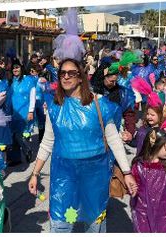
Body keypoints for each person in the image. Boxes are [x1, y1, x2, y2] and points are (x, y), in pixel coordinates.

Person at [27, 55, 137, 233]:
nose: (66, 76)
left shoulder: (99, 103)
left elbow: (114, 141)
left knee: (94, 226)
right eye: (62, 73)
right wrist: (35, 174)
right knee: (61, 223)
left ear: (80, 77)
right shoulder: (55, 107)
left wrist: (127, 172)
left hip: (94, 178)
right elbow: (47, 142)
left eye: (71, 73)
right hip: (64, 179)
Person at [130, 127, 166, 232]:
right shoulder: (139, 167)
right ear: (156, 145)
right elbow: (132, 186)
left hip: (165, 214)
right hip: (143, 214)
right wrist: (131, 189)